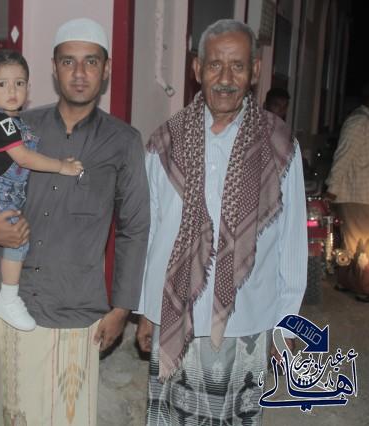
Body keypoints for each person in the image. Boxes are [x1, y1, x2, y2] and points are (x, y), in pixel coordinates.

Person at [0, 18, 150, 425]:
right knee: (12, 415)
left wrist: (122, 307)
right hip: (13, 301)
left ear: (106, 69)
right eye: (68, 61)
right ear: (54, 68)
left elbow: (134, 227)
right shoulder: (18, 126)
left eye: (91, 61)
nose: (79, 72)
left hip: (76, 307)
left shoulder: (123, 141)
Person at [135, 19, 307, 425]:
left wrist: (286, 325)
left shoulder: (279, 145)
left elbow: (291, 243)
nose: (226, 78)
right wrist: (146, 309)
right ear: (197, 69)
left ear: (255, 71)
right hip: (175, 316)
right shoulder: (165, 141)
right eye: (215, 65)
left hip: (248, 322)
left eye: (238, 66)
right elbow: (151, 232)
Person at [0, 49, 83, 331]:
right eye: (2, 84)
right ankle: (7, 298)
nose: (12, 90)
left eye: (19, 83)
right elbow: (25, 158)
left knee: (6, 230)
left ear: (28, 88)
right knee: (18, 237)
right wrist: (61, 167)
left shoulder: (15, 122)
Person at [326, 82, 369, 300]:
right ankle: (360, 286)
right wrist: (332, 189)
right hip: (357, 194)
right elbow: (343, 157)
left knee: (357, 243)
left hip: (362, 194)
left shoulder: (364, 121)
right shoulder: (360, 122)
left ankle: (354, 283)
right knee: (357, 244)